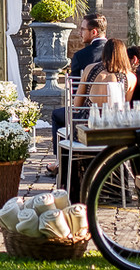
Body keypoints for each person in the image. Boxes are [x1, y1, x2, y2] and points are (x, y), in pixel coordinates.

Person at [44, 15, 109, 175]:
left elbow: (75, 95)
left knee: (56, 115)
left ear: (93, 32)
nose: (80, 33)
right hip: (115, 114)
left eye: (82, 29)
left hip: (87, 115)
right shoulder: (118, 53)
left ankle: (60, 162)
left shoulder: (81, 56)